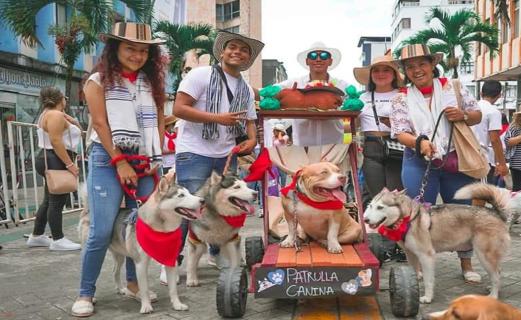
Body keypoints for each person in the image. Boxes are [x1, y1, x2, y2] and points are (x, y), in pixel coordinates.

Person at [71, 22, 167, 317]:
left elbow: (161, 121)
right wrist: (121, 161)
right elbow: (100, 124)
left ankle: (133, 283)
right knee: (100, 230)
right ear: (115, 49)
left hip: (146, 159)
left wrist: (154, 157)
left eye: (142, 50)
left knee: (143, 226)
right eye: (130, 49)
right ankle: (86, 292)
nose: (137, 55)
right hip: (107, 157)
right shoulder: (97, 81)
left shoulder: (152, 83)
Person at [390, 43, 483, 283]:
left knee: (462, 213)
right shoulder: (400, 98)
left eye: (422, 63)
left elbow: (477, 115)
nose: (417, 70)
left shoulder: (455, 88)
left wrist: (462, 115)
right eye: (410, 66)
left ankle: (466, 263)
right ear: (405, 71)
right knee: (417, 214)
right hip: (417, 160)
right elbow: (400, 132)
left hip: (455, 158)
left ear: (433, 65)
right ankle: (419, 265)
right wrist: (420, 142)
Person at [172, 31, 263, 267]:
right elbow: (179, 109)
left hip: (225, 154)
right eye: (232, 47)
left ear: (248, 59)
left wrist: (252, 140)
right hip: (194, 153)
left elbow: (250, 120)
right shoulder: (201, 75)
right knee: (188, 207)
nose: (237, 52)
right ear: (222, 51)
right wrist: (217, 118)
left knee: (222, 207)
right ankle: (172, 260)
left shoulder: (246, 88)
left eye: (244, 50)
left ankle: (215, 253)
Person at [26, 87, 82, 251]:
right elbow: (56, 141)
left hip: (49, 158)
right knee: (58, 201)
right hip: (55, 159)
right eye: (65, 97)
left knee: (49, 200)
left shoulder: (49, 114)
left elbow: (70, 129)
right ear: (60, 99)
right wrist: (70, 165)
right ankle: (58, 239)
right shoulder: (55, 115)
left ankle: (37, 236)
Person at [270, 42, 349, 147]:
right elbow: (268, 92)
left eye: (324, 56)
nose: (318, 59)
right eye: (313, 56)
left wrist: (348, 142)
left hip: (335, 146)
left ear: (330, 61)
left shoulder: (342, 85)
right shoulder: (294, 83)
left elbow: (350, 117)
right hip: (303, 147)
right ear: (307, 61)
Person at [353, 51, 404, 200]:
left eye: (386, 70)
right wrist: (348, 140)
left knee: (396, 196)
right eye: (376, 70)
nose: (380, 74)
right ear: (370, 75)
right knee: (376, 196)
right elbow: (348, 126)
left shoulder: (404, 94)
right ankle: (377, 223)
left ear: (394, 74)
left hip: (398, 147)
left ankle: (397, 223)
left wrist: (394, 123)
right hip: (370, 147)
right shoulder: (361, 97)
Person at [473, 80, 508, 185]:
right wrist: (502, 164)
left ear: (481, 93)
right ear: (499, 95)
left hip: (466, 155)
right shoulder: (493, 112)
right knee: (481, 195)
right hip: (482, 158)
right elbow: (495, 139)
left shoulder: (471, 108)